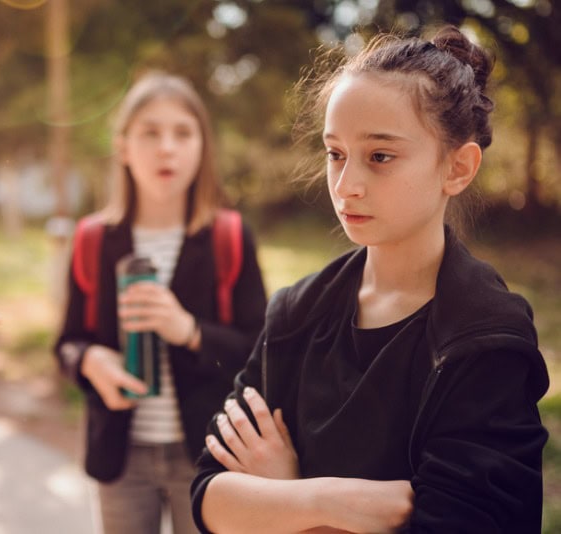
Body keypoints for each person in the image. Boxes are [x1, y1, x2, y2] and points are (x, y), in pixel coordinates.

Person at [192, 26, 549, 532]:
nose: (346, 186)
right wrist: (322, 500)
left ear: (458, 167)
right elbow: (209, 494)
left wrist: (280, 500)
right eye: (335, 154)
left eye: (380, 156)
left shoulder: (485, 337)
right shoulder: (297, 312)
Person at [54, 71, 267, 534]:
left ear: (202, 148)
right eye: (150, 133)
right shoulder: (93, 239)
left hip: (211, 454)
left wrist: (189, 331)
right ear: (123, 147)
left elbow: (259, 351)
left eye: (183, 133)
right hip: (120, 458)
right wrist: (90, 361)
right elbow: (67, 344)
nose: (166, 148)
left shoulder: (229, 236)